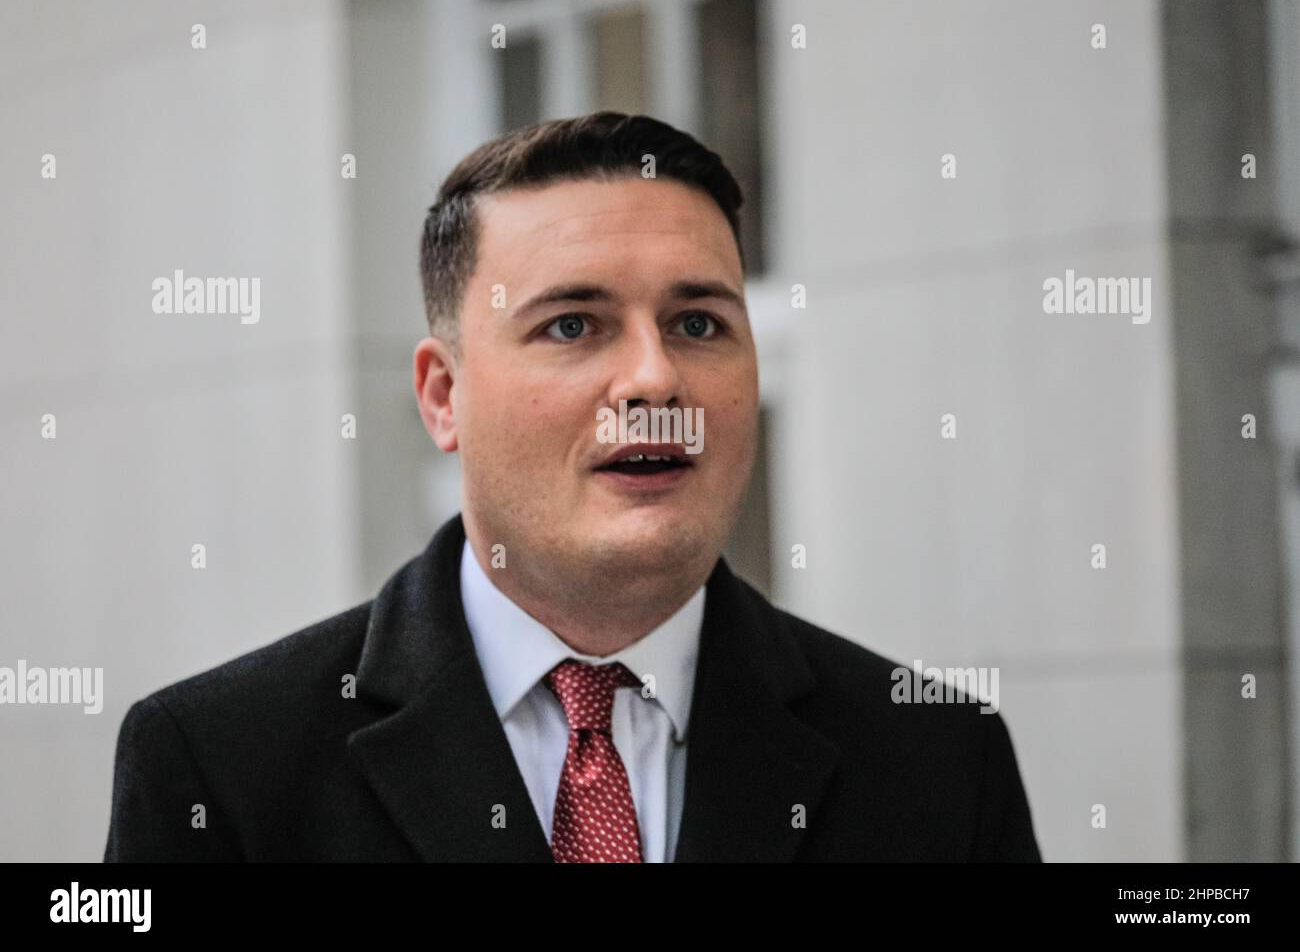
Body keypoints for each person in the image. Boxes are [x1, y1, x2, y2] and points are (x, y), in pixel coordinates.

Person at [104, 112, 1042, 862]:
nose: (652, 379)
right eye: (572, 326)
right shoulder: (219, 765)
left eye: (699, 324)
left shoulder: (937, 759)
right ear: (444, 396)